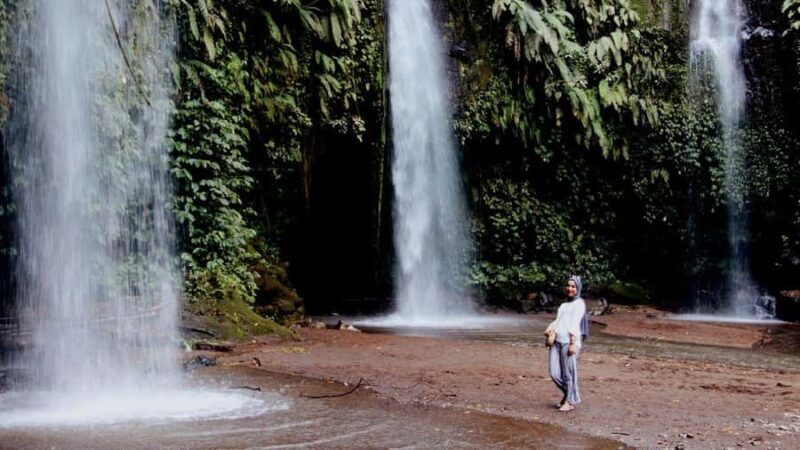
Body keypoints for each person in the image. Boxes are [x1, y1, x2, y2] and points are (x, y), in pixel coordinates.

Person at [544, 275, 588, 412]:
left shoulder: (579, 303)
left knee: (568, 374)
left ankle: (569, 401)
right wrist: (551, 331)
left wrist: (573, 343)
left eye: (573, 286)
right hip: (557, 341)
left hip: (569, 341)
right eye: (568, 286)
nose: (570, 289)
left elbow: (575, 324)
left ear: (578, 288)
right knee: (554, 372)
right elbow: (558, 320)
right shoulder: (564, 305)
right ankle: (570, 395)